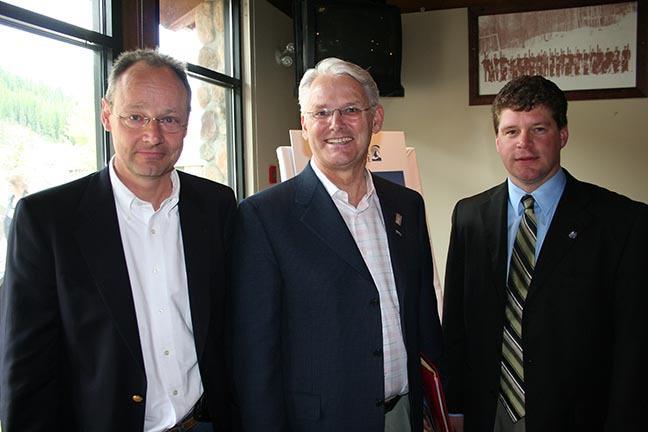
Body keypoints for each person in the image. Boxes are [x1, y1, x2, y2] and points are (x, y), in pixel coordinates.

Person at [0, 49, 237, 432]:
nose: (153, 135)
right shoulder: (47, 220)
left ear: (187, 124)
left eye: (169, 119)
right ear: (107, 114)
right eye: (136, 116)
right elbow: (26, 370)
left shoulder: (217, 204)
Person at [229, 57, 442, 432]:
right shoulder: (264, 217)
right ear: (304, 124)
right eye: (321, 112)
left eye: (350, 110)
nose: (336, 125)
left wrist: (439, 406)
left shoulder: (406, 205)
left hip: (406, 416)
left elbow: (424, 318)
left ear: (375, 119)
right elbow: (255, 356)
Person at [442, 75, 647, 432]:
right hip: (489, 413)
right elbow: (456, 324)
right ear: (496, 140)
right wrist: (455, 408)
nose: (524, 144)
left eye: (538, 129)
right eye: (511, 132)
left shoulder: (622, 222)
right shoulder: (469, 216)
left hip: (580, 417)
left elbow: (634, 345)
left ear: (562, 134)